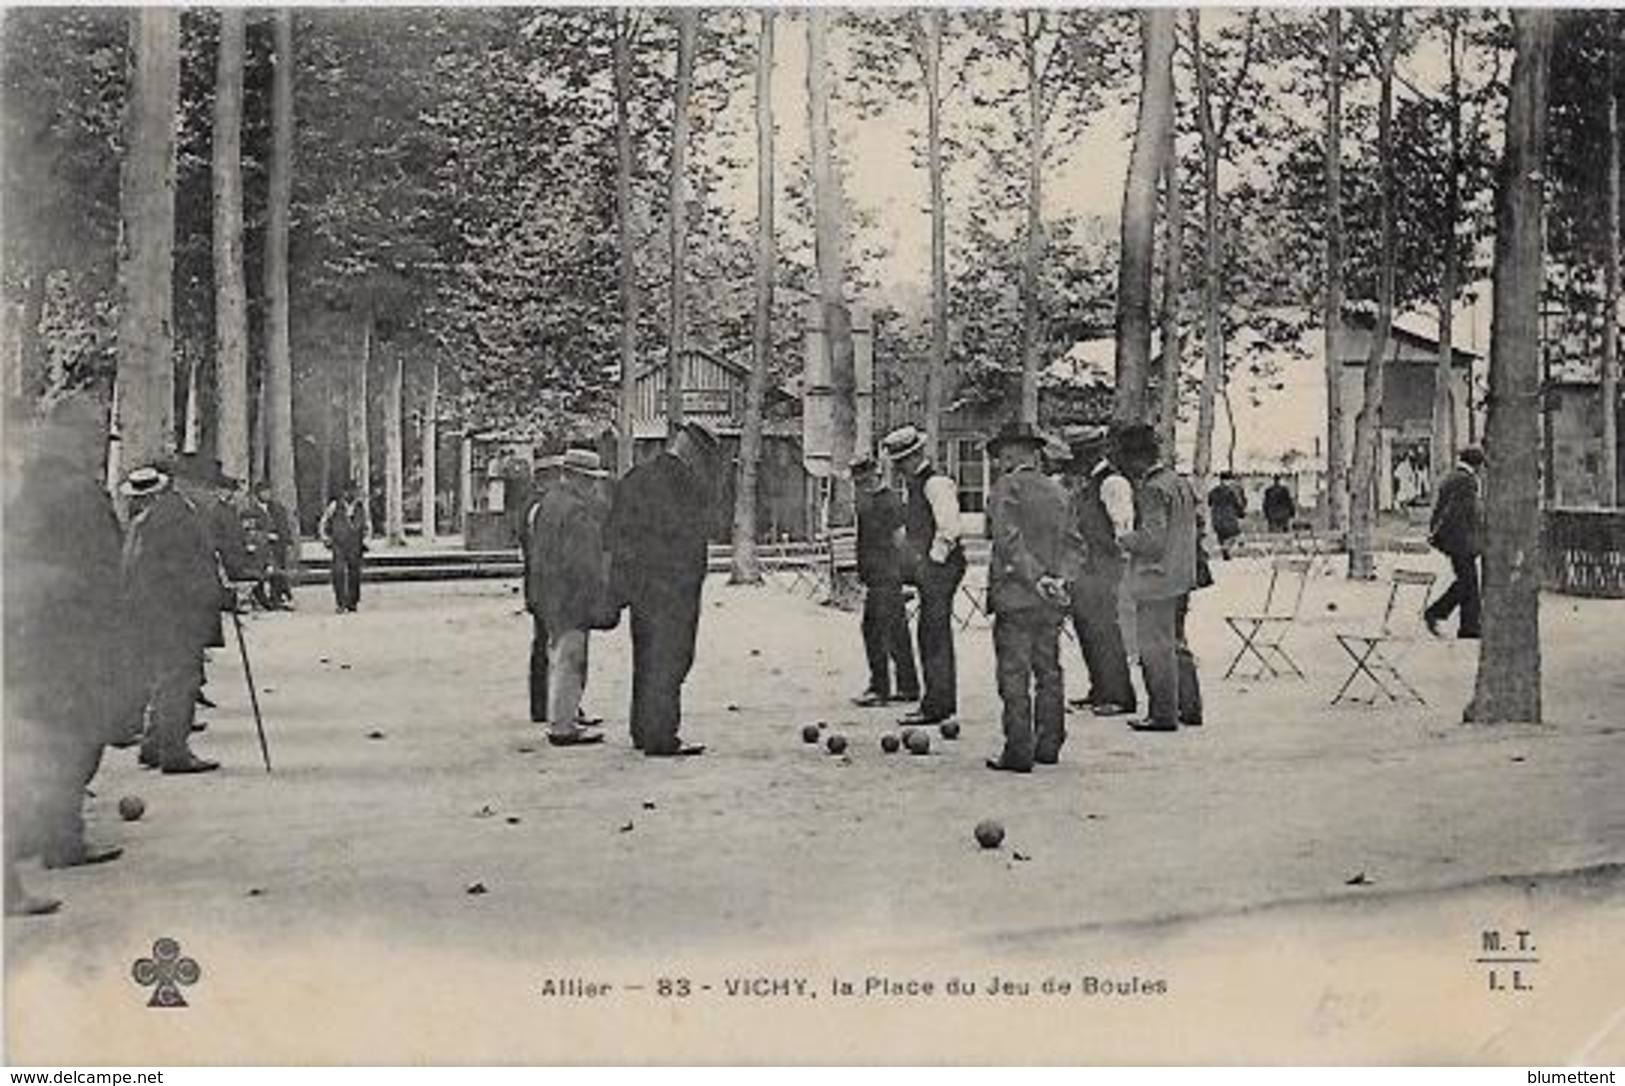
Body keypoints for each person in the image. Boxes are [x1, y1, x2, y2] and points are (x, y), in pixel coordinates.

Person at [3, 396, 144, 914]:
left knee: (42, 739)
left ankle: (39, 834)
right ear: (71, 437)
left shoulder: (25, 488)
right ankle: (61, 839)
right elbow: (108, 575)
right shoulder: (79, 494)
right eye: (91, 438)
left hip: (25, 638)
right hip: (71, 640)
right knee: (73, 739)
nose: (93, 449)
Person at [606, 421, 720, 757]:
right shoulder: (688, 485)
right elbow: (692, 540)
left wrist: (626, 583)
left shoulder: (636, 477)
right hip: (676, 589)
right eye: (702, 456)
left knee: (645, 657)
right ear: (691, 449)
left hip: (643, 588)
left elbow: (615, 534)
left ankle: (642, 729)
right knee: (672, 659)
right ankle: (661, 736)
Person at [983, 422, 1082, 773]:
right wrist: (1060, 580)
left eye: (1000, 454)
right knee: (1049, 669)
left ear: (1012, 452)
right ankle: (1049, 743)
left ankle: (1018, 749)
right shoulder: (1060, 492)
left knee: (1014, 673)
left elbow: (1007, 541)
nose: (998, 462)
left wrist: (1036, 578)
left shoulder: (1005, 488)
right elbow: (1074, 544)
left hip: (1016, 594)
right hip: (1052, 598)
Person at [122, 465, 227, 774]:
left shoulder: (141, 523)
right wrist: (213, 597)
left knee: (161, 677)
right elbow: (189, 568)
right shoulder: (175, 518)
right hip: (176, 613)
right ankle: (174, 752)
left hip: (146, 613)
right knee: (180, 679)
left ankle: (154, 745)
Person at [1115, 424, 1203, 733]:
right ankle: (1190, 707)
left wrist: (1126, 540)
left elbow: (1153, 539)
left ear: (1135, 459)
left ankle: (1162, 712)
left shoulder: (1152, 489)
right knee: (1178, 641)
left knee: (1155, 646)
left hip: (1156, 578)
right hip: (1183, 574)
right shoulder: (1179, 483)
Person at [529, 448, 614, 747]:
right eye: (590, 480)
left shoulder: (548, 504)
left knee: (557, 654)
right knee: (571, 657)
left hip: (548, 592)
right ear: (577, 478)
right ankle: (563, 725)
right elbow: (584, 561)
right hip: (571, 595)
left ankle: (564, 715)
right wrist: (598, 591)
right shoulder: (577, 511)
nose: (594, 486)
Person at [882, 424, 964, 728]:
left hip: (942, 567)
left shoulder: (936, 484)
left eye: (903, 461)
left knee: (934, 634)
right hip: (930, 567)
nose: (900, 469)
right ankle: (938, 701)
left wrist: (932, 563)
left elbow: (950, 529)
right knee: (930, 633)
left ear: (916, 455)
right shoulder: (916, 485)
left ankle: (937, 705)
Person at [1062, 425, 1137, 717]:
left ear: (1092, 454)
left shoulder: (1112, 483)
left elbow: (1123, 525)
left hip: (1105, 564)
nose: (1076, 463)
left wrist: (1117, 562)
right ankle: (1099, 689)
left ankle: (1119, 695)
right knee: (1087, 627)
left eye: (1079, 456)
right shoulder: (1089, 484)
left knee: (1105, 628)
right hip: (1086, 565)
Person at [851, 452, 919, 708]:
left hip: (886, 575)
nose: (859, 484)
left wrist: (900, 573)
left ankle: (880, 688)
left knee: (874, 630)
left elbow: (900, 539)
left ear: (872, 475)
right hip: (876, 575)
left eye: (862, 478)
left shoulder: (889, 501)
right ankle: (908, 686)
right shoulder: (869, 501)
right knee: (896, 630)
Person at [1424, 445, 1485, 640]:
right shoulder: (1466, 481)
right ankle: (1436, 612)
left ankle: (1470, 628)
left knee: (1469, 583)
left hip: (1453, 539)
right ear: (1476, 465)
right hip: (1460, 540)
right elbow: (1458, 512)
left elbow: (1442, 510)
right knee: (1467, 582)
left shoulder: (1451, 477)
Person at [319, 481, 370, 613]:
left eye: (354, 491)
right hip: (339, 544)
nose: (351, 494)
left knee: (355, 574)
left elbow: (367, 526)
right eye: (349, 491)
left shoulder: (361, 507)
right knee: (338, 572)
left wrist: (366, 541)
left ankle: (352, 602)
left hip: (355, 544)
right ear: (343, 492)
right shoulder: (335, 506)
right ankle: (340, 602)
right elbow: (324, 522)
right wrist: (326, 538)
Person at [1206, 471, 1246, 558]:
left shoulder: (1213, 491)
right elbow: (1237, 505)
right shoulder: (1230, 492)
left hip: (1216, 519)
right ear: (1227, 480)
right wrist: (1241, 514)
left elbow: (1209, 503)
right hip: (1228, 518)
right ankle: (1226, 549)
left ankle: (1225, 551)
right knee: (1236, 534)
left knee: (1221, 536)